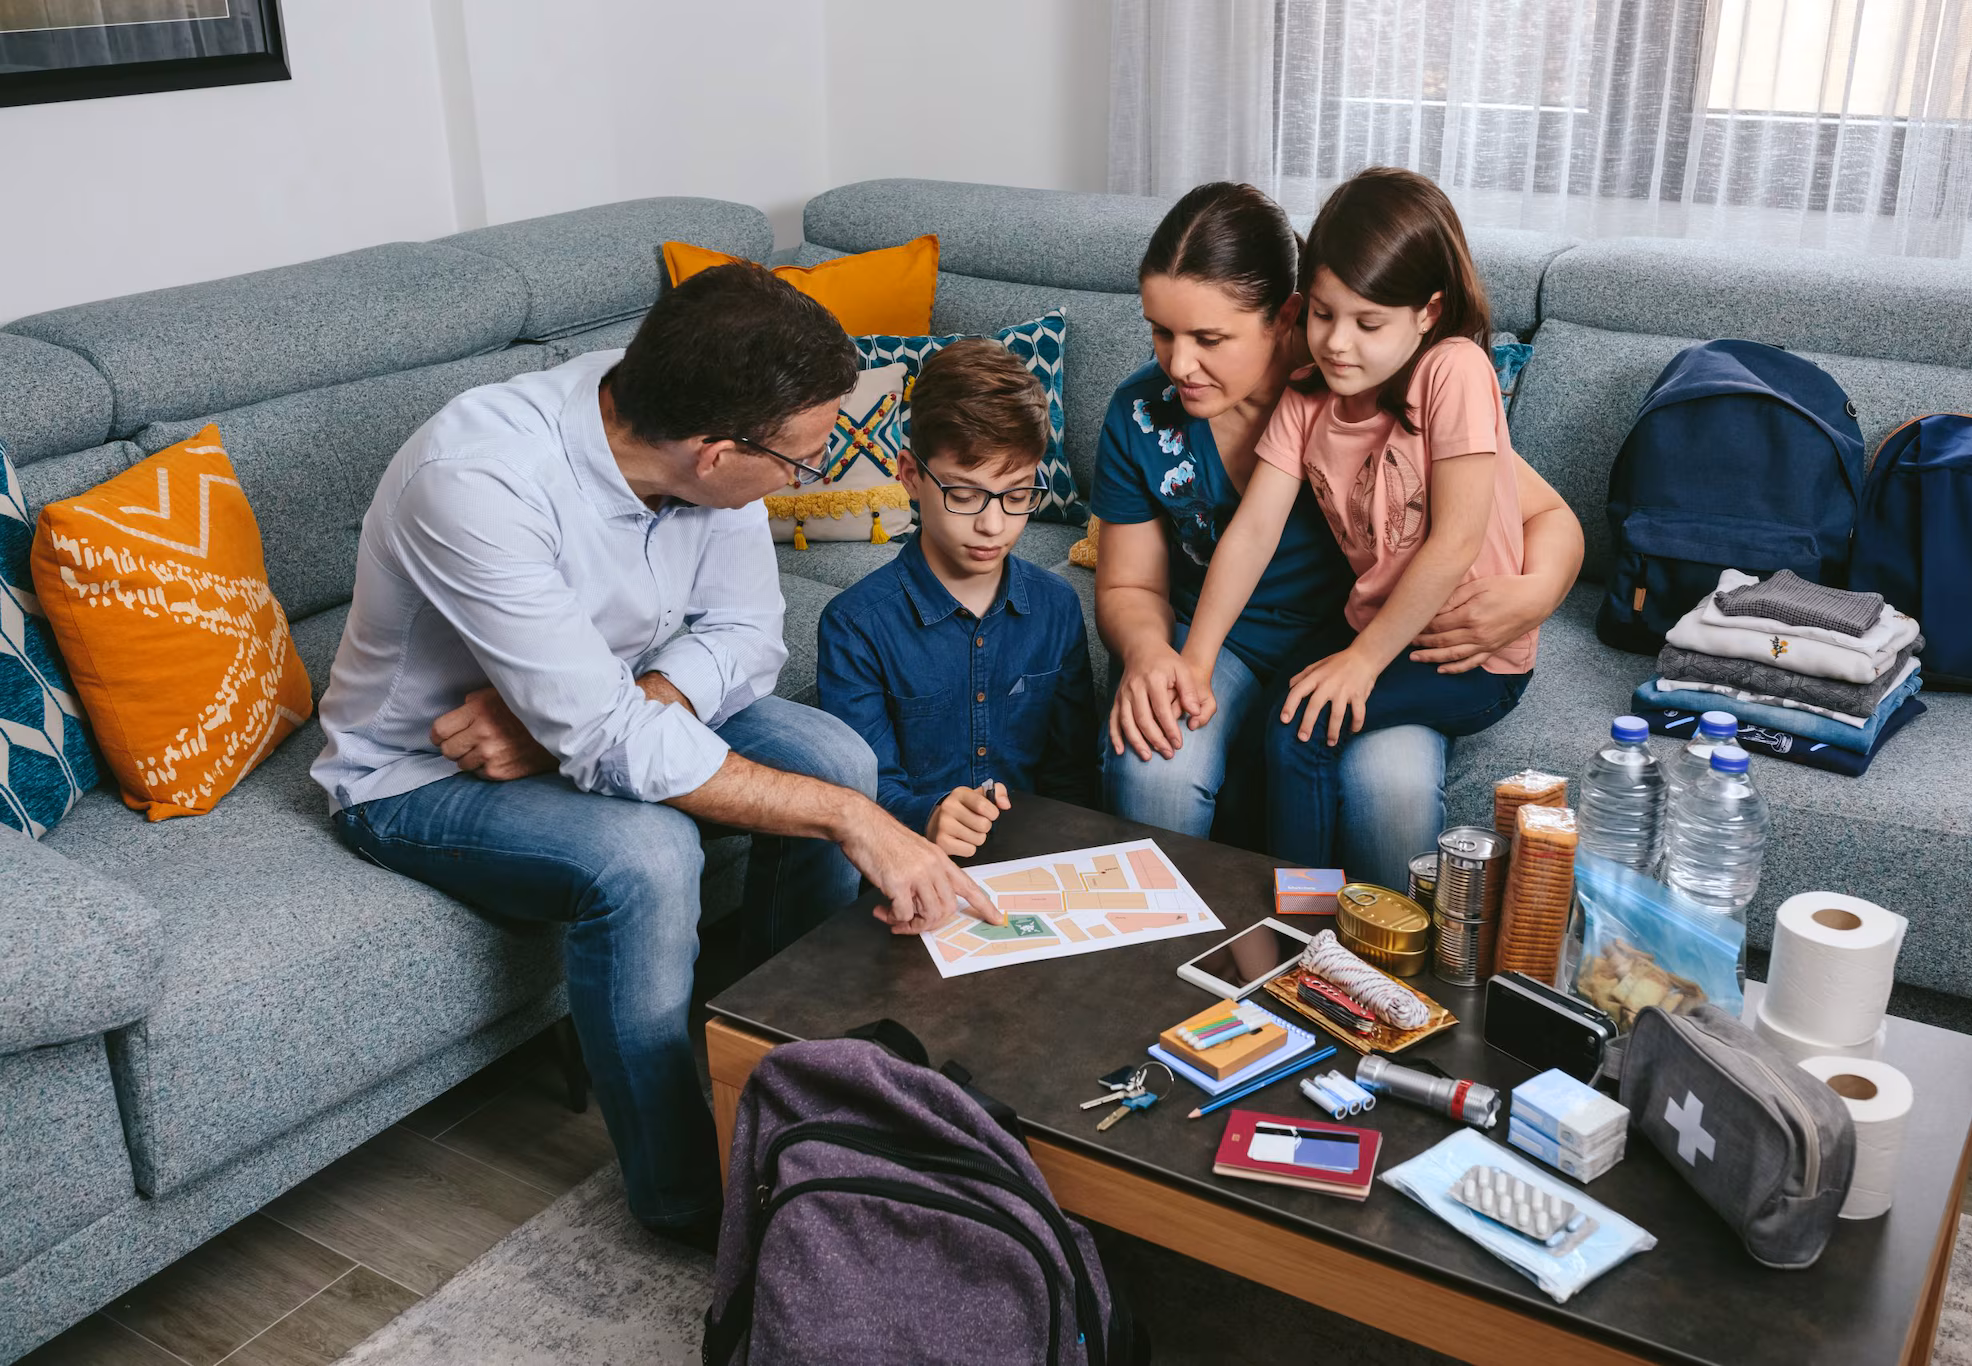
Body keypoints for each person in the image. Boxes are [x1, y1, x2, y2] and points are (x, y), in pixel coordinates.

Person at [311, 263, 1000, 1247]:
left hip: (609, 695)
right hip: (413, 776)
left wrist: (599, 708)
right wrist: (853, 823)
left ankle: (781, 1081)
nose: (807, 475)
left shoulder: (687, 415)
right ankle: (686, 1200)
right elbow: (602, 738)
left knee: (834, 755)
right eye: (801, 462)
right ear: (718, 456)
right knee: (650, 858)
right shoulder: (475, 480)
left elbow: (750, 631)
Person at [1092, 181, 1583, 881]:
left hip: (1397, 640)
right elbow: (1180, 562)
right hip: (1272, 637)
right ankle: (1210, 955)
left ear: (1282, 316)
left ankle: (1366, 962)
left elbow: (1524, 514)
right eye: (1161, 331)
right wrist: (1173, 660)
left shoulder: (1401, 378)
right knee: (1174, 764)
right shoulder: (1220, 405)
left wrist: (1537, 593)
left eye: (1210, 338)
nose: (1178, 365)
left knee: (1376, 779)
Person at [817, 340, 1097, 858]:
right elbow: (862, 789)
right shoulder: (855, 625)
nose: (993, 524)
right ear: (911, 477)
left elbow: (1071, 775)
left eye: (1016, 496)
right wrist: (928, 816)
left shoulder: (1057, 607)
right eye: (964, 495)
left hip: (1038, 864)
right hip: (908, 860)